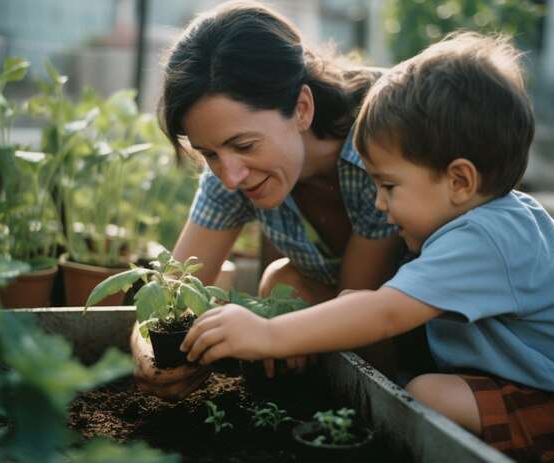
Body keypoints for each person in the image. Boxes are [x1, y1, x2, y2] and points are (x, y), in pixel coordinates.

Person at [180, 32, 554, 462]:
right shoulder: (487, 219)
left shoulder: (482, 237)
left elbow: (385, 314)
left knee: (425, 395)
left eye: (389, 186)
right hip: (527, 392)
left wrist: (267, 334)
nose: (379, 202)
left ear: (459, 180)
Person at [132, 0, 405, 400]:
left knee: (287, 292)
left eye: (243, 144)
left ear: (301, 108)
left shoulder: (378, 145)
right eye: (209, 153)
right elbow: (170, 291)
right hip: (360, 319)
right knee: (285, 286)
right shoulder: (233, 173)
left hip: (441, 336)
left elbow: (358, 314)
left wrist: (267, 333)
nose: (229, 176)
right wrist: (149, 356)